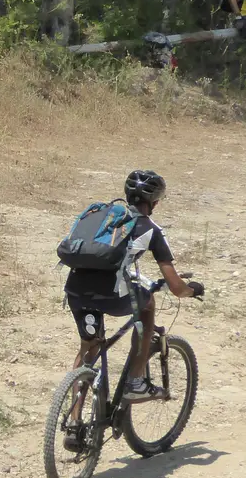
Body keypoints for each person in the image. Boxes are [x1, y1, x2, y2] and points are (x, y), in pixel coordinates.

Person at [64, 170, 203, 402]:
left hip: (75, 290)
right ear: (155, 202)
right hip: (110, 295)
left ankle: (74, 424)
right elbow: (176, 287)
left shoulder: (104, 216)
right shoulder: (151, 230)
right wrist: (193, 289)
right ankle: (135, 382)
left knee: (89, 347)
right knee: (147, 303)